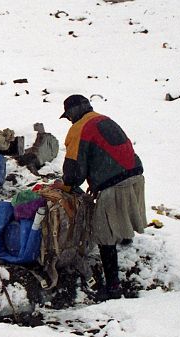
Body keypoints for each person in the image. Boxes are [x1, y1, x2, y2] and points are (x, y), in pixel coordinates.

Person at [58, 94, 145, 300]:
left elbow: (74, 170)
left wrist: (66, 185)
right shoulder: (103, 119)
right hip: (135, 176)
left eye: (68, 116)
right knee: (122, 216)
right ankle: (125, 238)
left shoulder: (79, 128)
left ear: (73, 112)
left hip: (116, 184)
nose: (69, 120)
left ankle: (113, 287)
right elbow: (109, 153)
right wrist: (97, 181)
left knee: (104, 234)